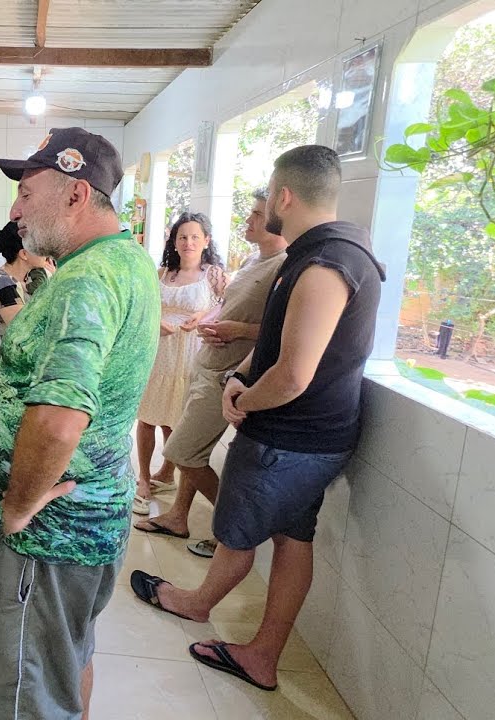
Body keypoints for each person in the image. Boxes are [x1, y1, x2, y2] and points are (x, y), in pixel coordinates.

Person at [128, 145, 385, 693]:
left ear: (284, 196)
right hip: (313, 433)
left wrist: (242, 399)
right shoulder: (328, 253)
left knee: (238, 532)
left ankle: (198, 605)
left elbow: (293, 374)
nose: (263, 205)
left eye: (267, 195)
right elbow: (275, 343)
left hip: (289, 435)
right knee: (294, 540)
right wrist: (238, 376)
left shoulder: (324, 265)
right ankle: (264, 653)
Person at [0, 127, 159, 720]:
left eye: (26, 192)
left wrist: (19, 507)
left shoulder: (86, 281)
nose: (14, 210)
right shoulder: (117, 260)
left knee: (25, 695)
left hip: (48, 536)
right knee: (64, 663)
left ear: (75, 194)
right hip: (83, 525)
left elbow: (57, 419)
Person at [134, 189, 289, 557]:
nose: (247, 220)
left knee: (183, 445)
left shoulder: (281, 266)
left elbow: (277, 329)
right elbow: (229, 309)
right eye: (181, 236)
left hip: (221, 370)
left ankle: (237, 527)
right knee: (172, 434)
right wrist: (216, 323)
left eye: (255, 214)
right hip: (199, 360)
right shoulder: (254, 260)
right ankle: (179, 514)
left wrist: (224, 326)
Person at [132, 213, 227, 515]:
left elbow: (229, 306)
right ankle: (144, 478)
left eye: (195, 237)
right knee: (148, 416)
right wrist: (157, 322)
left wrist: (203, 317)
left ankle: (168, 472)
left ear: (206, 241)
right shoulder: (160, 274)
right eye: (182, 237)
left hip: (191, 353)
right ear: (174, 241)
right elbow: (144, 308)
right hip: (159, 351)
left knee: (177, 417)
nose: (188, 243)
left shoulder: (214, 275)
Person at [0, 220, 53, 353]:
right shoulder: (2, 282)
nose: (46, 252)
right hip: (12, 369)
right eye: (39, 247)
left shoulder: (29, 279)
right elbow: (25, 332)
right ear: (24, 254)